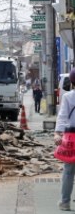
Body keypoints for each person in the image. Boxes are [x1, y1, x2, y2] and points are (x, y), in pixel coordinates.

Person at [54, 68, 75, 211]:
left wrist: (57, 133)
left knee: (68, 171)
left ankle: (65, 202)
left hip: (71, 137)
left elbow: (62, 116)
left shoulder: (68, 97)